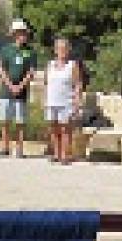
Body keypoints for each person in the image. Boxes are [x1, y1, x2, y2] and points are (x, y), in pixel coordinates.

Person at [0, 18, 38, 158]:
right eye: (20, 33)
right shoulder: (5, 50)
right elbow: (1, 70)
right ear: (14, 34)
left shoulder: (30, 52)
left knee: (20, 121)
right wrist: (10, 85)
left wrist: (20, 86)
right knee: (5, 120)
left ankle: (20, 148)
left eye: (24, 33)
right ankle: (5, 147)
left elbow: (31, 72)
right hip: (5, 91)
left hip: (21, 92)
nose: (23, 36)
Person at [44, 36, 83, 165]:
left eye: (64, 48)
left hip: (66, 101)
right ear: (55, 50)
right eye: (59, 48)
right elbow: (46, 83)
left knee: (65, 129)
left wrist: (77, 101)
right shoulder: (50, 65)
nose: (62, 51)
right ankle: (56, 153)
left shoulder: (72, 65)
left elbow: (78, 84)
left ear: (68, 50)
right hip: (52, 101)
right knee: (53, 128)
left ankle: (65, 155)